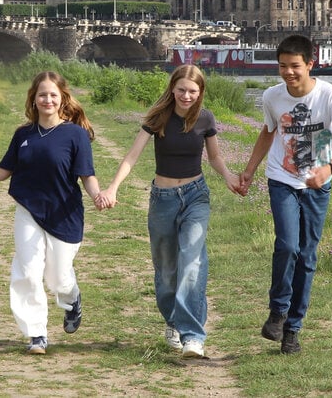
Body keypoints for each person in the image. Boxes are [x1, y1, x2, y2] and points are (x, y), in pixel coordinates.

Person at [97, 64, 245, 359]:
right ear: (172, 89)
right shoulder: (159, 117)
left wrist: (229, 177)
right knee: (166, 271)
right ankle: (173, 322)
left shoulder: (205, 119)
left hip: (195, 195)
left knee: (191, 260)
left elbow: (214, 156)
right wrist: (113, 187)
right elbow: (132, 155)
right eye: (181, 90)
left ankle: (193, 337)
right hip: (163, 198)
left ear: (200, 92)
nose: (186, 96)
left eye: (192, 91)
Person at [0, 71, 100, 355]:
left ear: (62, 99)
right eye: (41, 95)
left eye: (52, 95)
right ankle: (36, 334)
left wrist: (99, 196)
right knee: (28, 271)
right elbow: (2, 171)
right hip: (28, 211)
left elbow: (87, 175)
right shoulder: (23, 134)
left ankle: (71, 299)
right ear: (33, 99)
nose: (47, 99)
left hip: (63, 214)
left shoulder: (75, 134)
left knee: (58, 278)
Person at [239, 34, 332, 355]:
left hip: (318, 183)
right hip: (281, 178)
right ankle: (277, 310)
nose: (288, 73)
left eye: (294, 66)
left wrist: (327, 169)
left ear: (310, 65)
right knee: (287, 245)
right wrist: (249, 170)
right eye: (282, 66)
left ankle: (293, 328)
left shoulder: (330, 96)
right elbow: (268, 132)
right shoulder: (272, 97)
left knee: (307, 255)